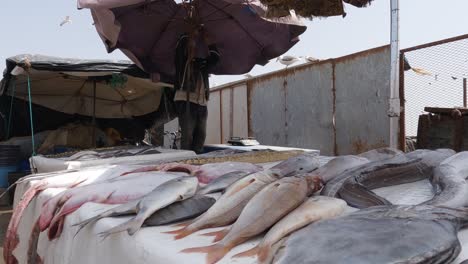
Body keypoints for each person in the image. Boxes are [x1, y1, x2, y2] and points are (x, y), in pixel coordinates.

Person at [173, 28, 220, 154]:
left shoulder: (202, 65)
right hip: (185, 100)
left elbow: (216, 59)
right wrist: (188, 35)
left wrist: (209, 42)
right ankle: (185, 162)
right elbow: (179, 50)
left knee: (201, 136)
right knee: (187, 137)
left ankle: (197, 164)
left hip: (202, 103)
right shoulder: (183, 64)